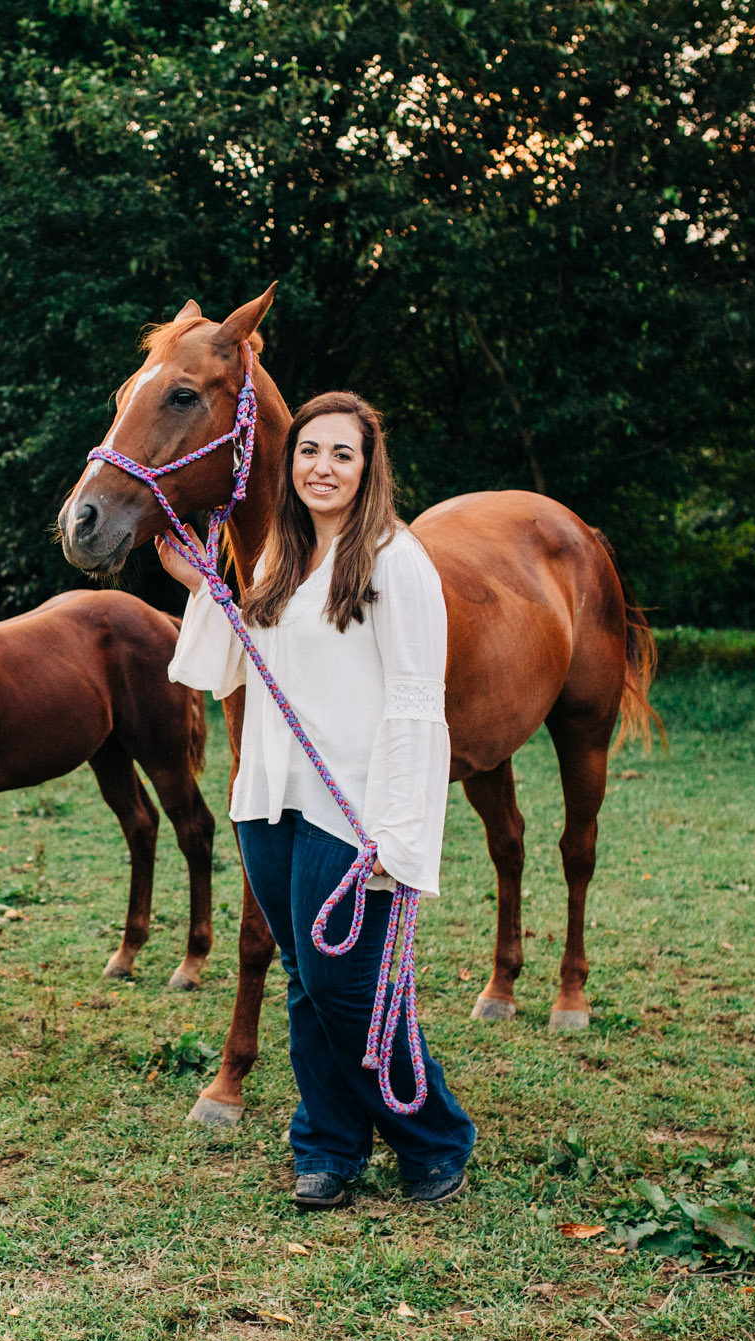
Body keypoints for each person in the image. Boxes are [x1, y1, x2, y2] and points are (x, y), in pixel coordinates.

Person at [159, 390, 476, 1209]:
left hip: (353, 805)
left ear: (368, 465)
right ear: (289, 462)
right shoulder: (277, 555)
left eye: (341, 453)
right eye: (308, 451)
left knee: (348, 983)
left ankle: (433, 1134)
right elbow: (234, 667)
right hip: (270, 794)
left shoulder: (395, 560)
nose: (322, 467)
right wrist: (206, 586)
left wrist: (396, 829)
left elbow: (415, 700)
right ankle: (329, 1145)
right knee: (304, 975)